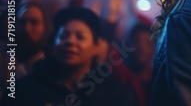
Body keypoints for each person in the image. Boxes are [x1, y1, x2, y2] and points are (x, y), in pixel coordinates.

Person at [1, 7, 136, 106]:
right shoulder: (24, 89)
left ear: (96, 47)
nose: (70, 41)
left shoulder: (115, 94)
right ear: (54, 44)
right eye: (63, 36)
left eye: (80, 37)